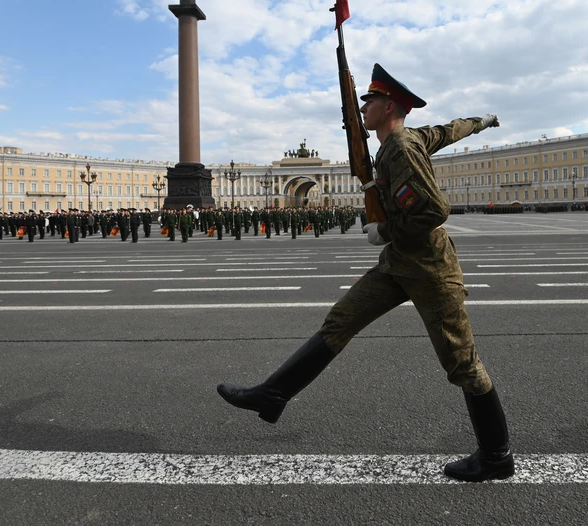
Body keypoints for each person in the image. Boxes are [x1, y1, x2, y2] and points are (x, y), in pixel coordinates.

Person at [217, 63, 510, 483]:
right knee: (340, 321)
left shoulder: (402, 149)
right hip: (398, 263)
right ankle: (274, 393)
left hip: (428, 267)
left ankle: (496, 455)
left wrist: (383, 229)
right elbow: (448, 131)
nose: (361, 107)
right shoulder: (407, 138)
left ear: (388, 106)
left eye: (368, 101)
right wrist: (480, 122)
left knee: (461, 363)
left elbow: (433, 211)